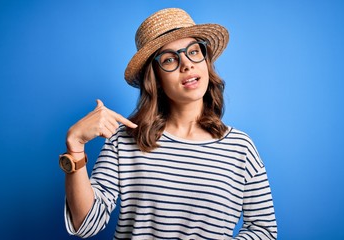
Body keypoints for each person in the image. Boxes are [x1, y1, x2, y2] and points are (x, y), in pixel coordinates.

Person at [59, 8, 278, 239]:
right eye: (170, 59)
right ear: (156, 79)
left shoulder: (240, 148)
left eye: (194, 52)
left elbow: (263, 230)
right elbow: (86, 224)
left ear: (206, 63)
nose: (187, 64)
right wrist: (75, 148)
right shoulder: (123, 140)